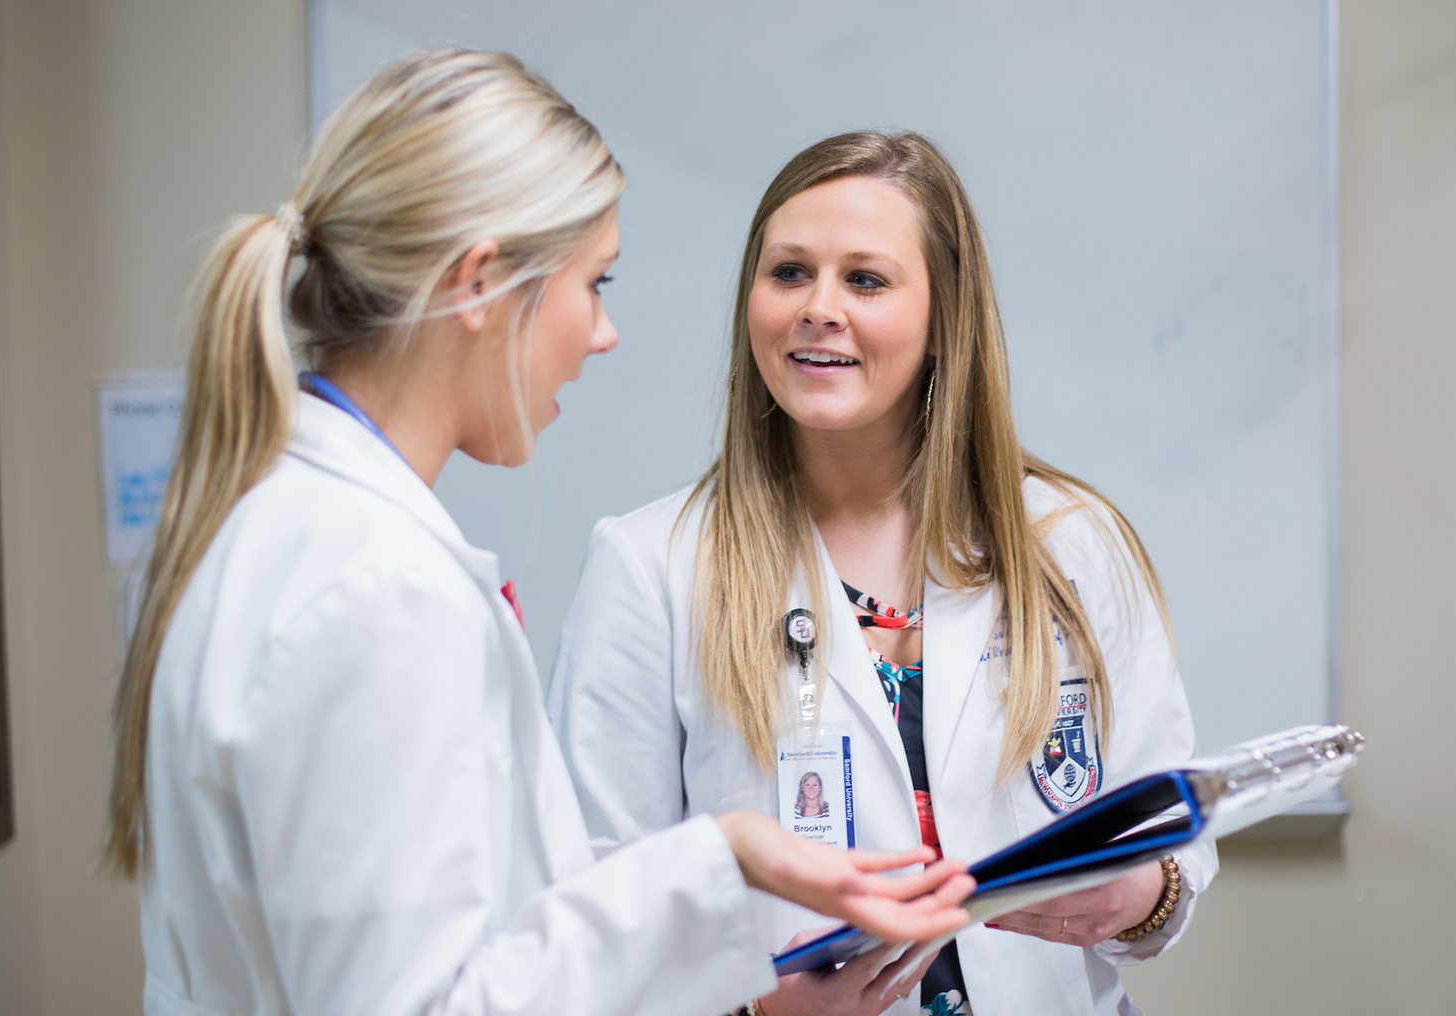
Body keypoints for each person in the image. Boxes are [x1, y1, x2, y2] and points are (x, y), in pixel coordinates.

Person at [102, 53, 972, 1016]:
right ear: (479, 286)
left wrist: (720, 864)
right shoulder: (379, 592)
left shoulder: (273, 520)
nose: (602, 333)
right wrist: (719, 890)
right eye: (593, 282)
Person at [549, 131, 1217, 1016]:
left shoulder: (1072, 541)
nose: (818, 308)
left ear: (945, 321)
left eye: (865, 280)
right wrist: (751, 1009)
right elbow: (594, 908)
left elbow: (1168, 831)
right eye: (789, 273)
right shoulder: (650, 566)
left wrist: (1144, 896)